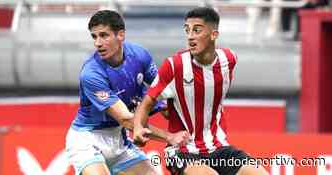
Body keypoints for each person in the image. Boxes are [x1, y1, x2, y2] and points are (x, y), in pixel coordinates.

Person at [133, 7, 269, 175]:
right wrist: (138, 127)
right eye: (187, 30)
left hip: (219, 147)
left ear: (214, 35)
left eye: (197, 30)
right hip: (181, 151)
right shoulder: (174, 66)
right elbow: (146, 104)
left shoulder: (229, 59)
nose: (190, 36)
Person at [65, 10, 172, 175]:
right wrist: (170, 137)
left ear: (120, 35)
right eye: (94, 37)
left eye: (104, 35)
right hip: (87, 140)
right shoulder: (91, 74)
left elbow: (164, 91)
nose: (98, 43)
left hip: (118, 140)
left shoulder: (139, 55)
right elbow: (127, 120)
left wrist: (171, 107)